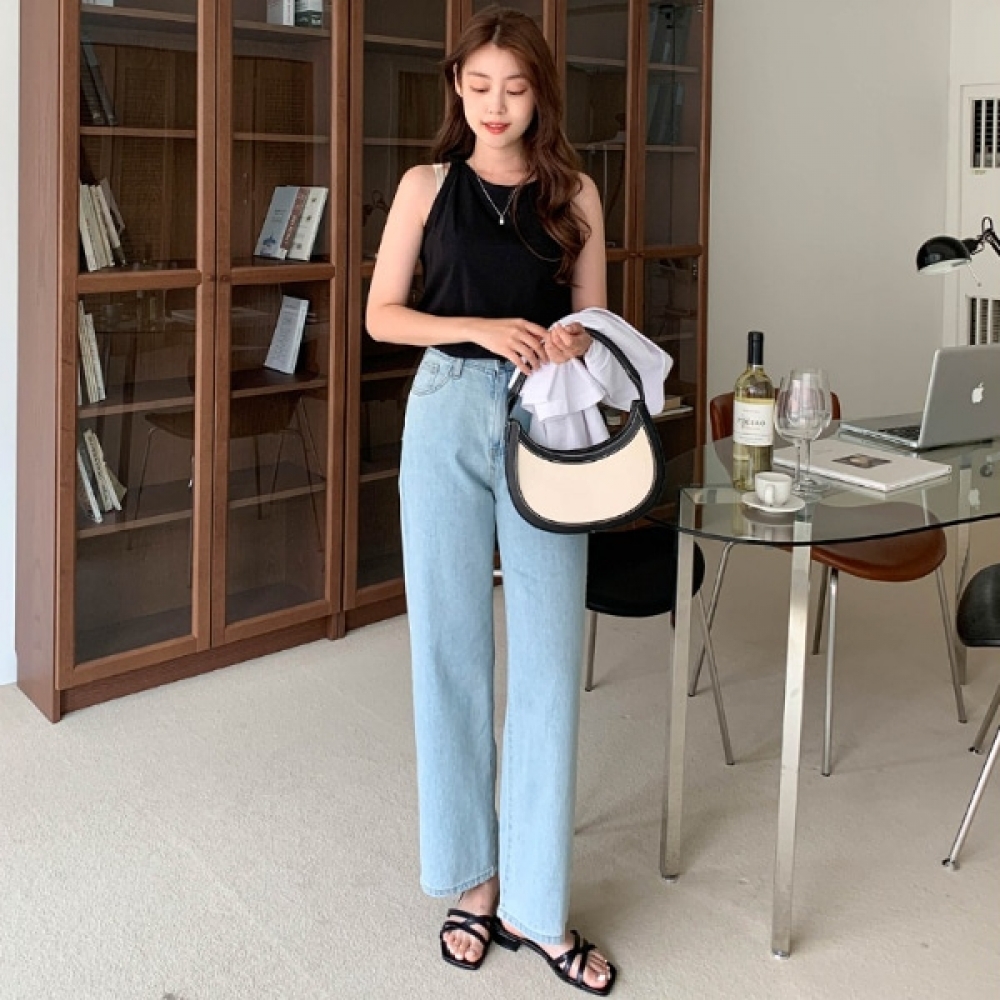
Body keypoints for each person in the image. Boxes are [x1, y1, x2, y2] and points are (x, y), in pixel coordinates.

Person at [366, 7, 616, 995]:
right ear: (457, 88)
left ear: (540, 93)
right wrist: (483, 325)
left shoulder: (576, 192)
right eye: (478, 87)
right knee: (449, 648)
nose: (496, 105)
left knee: (549, 658)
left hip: (547, 417)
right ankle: (473, 881)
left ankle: (537, 905)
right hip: (446, 411)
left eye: (514, 87)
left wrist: (573, 337)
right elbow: (383, 316)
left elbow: (595, 318)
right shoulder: (426, 186)